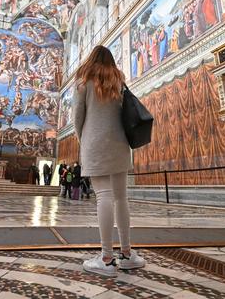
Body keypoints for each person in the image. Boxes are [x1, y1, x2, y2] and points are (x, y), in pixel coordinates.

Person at [73, 45, 145, 277]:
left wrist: (81, 139)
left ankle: (106, 258)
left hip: (95, 142)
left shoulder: (84, 81)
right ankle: (126, 254)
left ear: (91, 59)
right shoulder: (119, 81)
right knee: (121, 197)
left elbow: (77, 116)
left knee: (103, 195)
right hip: (120, 143)